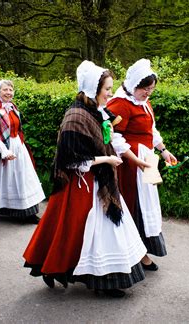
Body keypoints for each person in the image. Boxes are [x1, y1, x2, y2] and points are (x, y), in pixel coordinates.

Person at [22, 61, 147, 298]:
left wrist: (116, 157)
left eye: (110, 88)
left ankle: (102, 279)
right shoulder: (76, 116)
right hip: (85, 184)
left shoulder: (98, 111)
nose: (111, 93)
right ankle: (99, 280)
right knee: (88, 232)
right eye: (107, 88)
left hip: (102, 182)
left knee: (100, 232)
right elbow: (71, 160)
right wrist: (107, 161)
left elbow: (110, 139)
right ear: (93, 89)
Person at [107, 59, 177, 271]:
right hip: (130, 165)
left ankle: (143, 250)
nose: (148, 94)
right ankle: (137, 254)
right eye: (145, 89)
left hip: (146, 160)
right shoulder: (119, 104)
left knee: (148, 205)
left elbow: (151, 131)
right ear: (134, 85)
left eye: (151, 90)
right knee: (134, 205)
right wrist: (134, 159)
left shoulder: (144, 103)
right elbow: (114, 138)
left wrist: (164, 150)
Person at [0, 80, 45, 223]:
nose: (9, 92)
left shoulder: (12, 106)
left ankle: (28, 213)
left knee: (24, 179)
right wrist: (3, 150)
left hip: (17, 146)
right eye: (5, 89)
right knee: (5, 181)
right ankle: (4, 210)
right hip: (0, 149)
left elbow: (17, 128)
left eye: (11, 89)